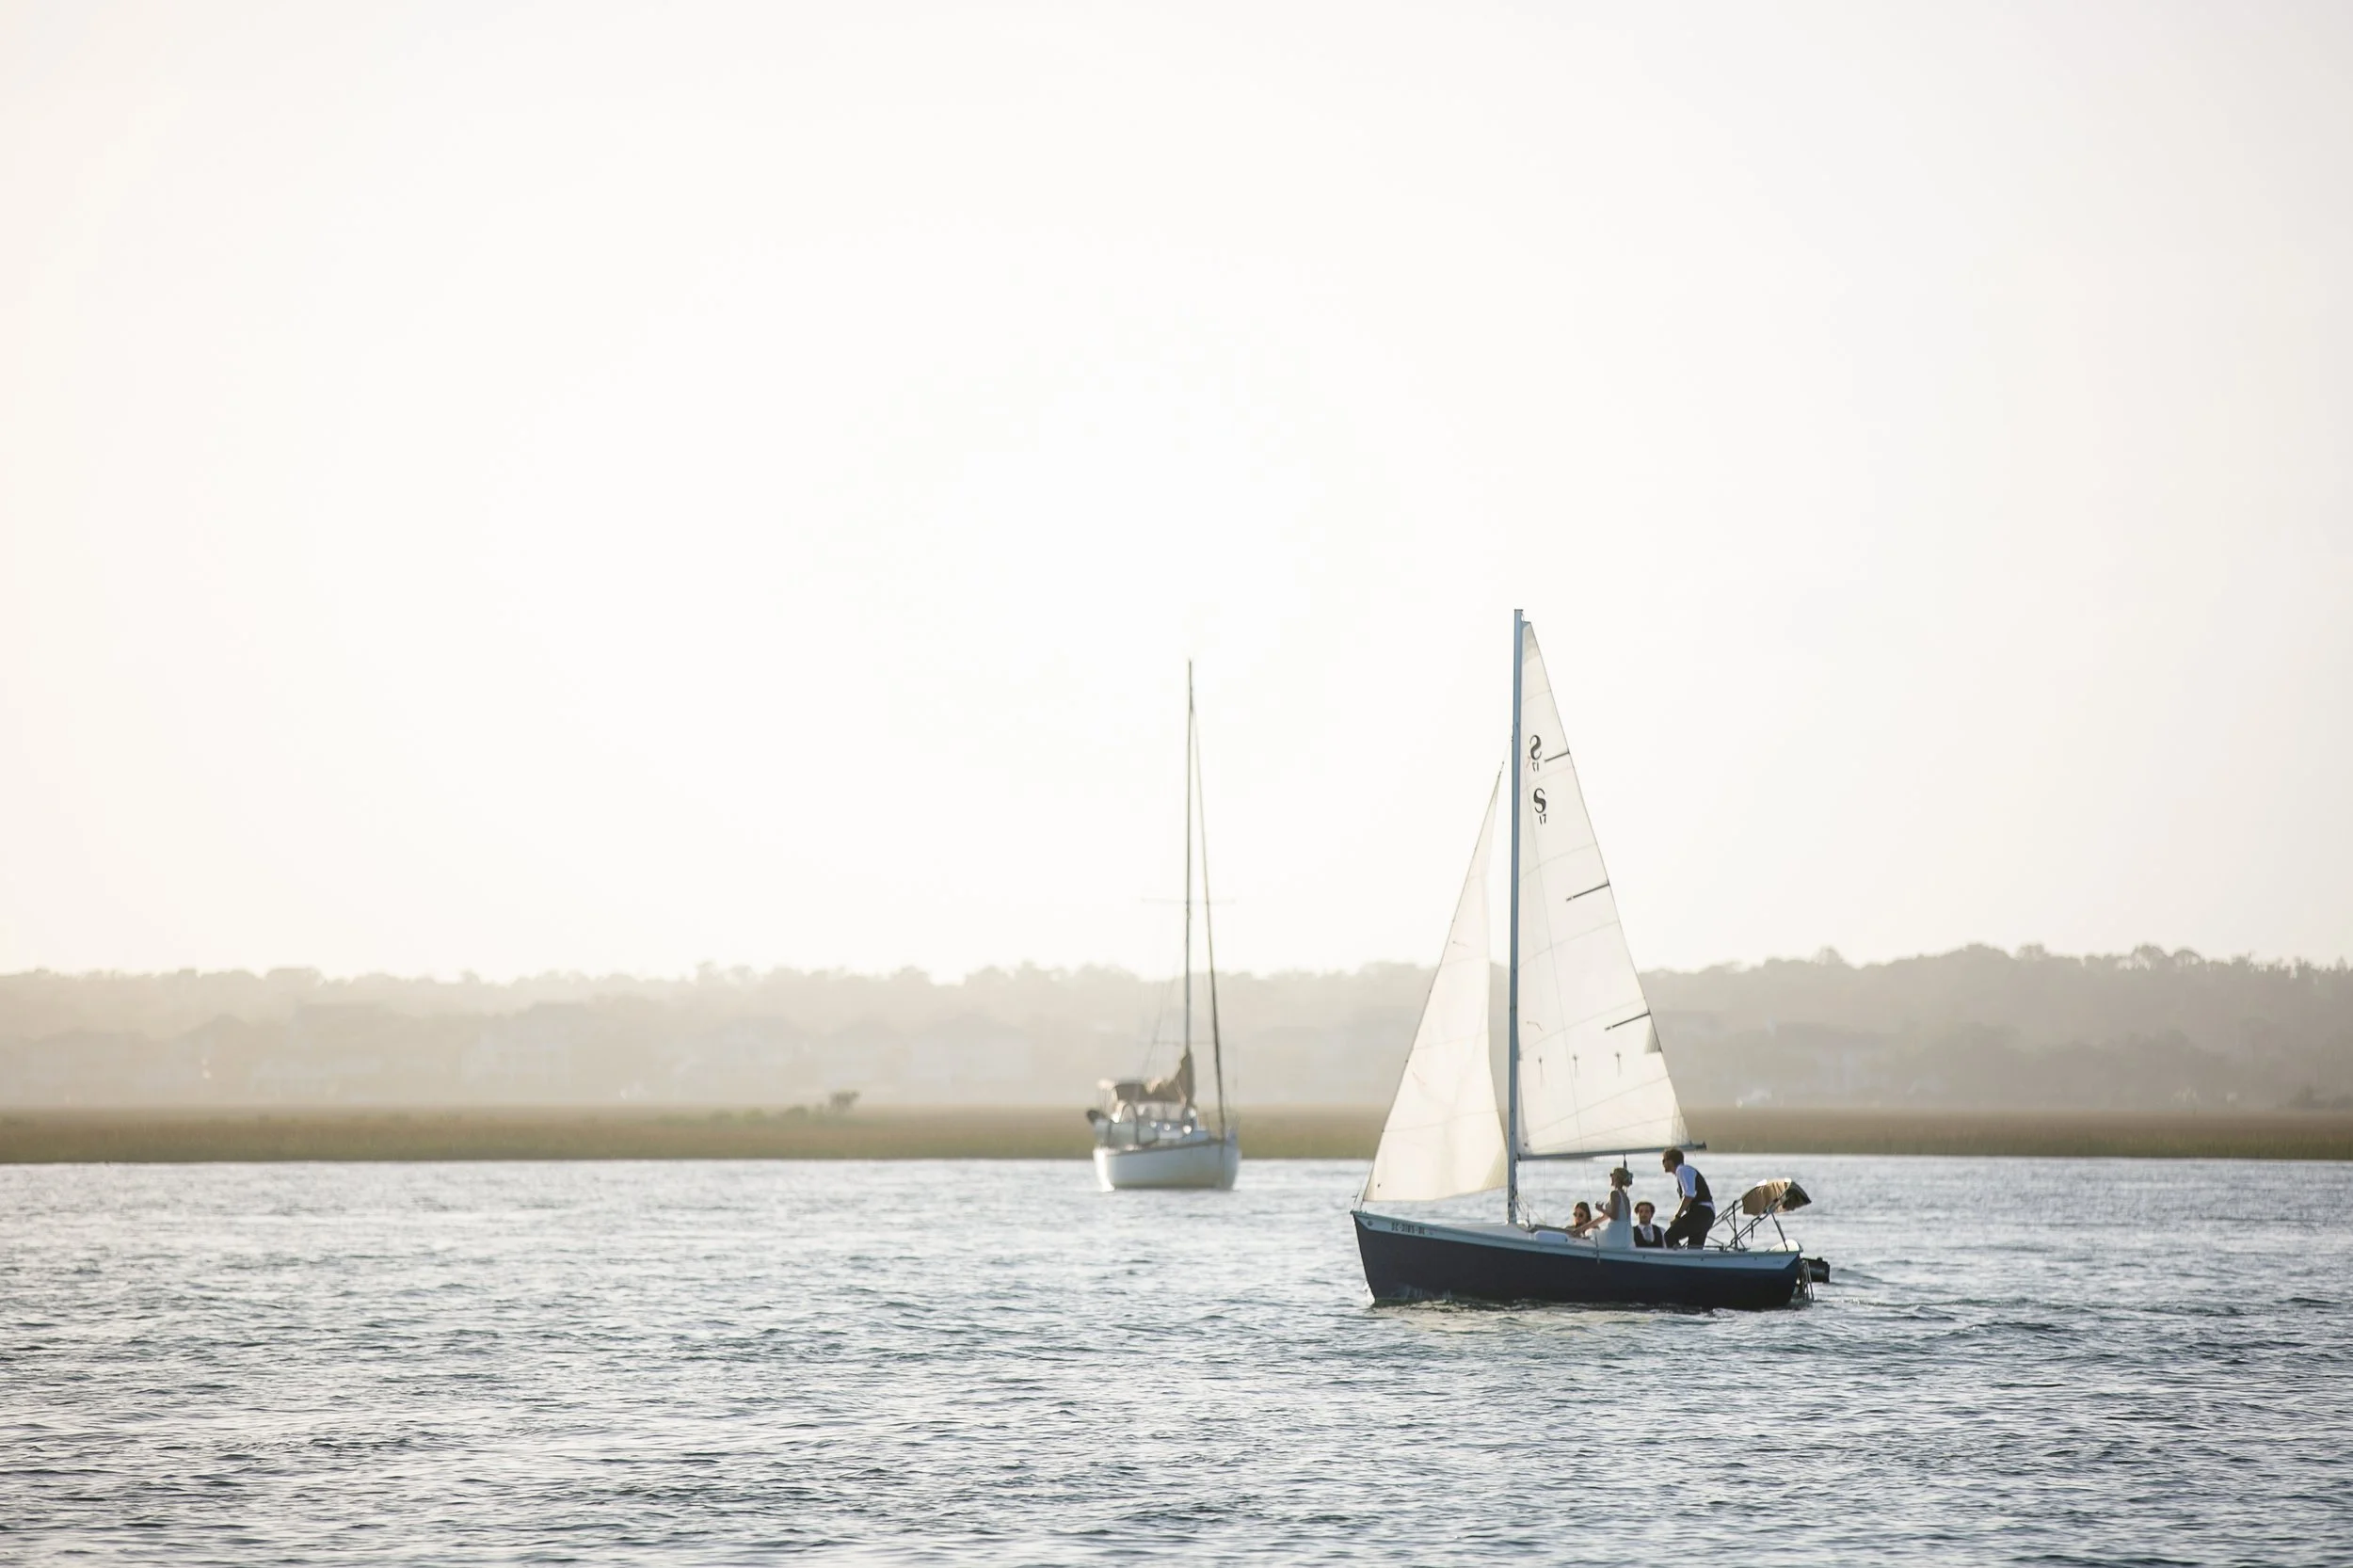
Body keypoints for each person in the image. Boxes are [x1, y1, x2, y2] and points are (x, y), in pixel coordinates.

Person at [1660, 1147, 1715, 1249]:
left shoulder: (1682, 1170)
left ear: (1670, 1161)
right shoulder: (1685, 1171)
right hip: (1706, 1214)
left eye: (1664, 1160)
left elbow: (1689, 1195)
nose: (1662, 1164)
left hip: (1701, 1213)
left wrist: (1677, 1216)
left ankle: (1675, 1258)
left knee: (1668, 1237)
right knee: (1694, 1249)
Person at [1595, 1166, 1634, 1250]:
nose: (1611, 1177)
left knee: (1591, 1234)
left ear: (1616, 1178)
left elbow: (1614, 1216)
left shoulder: (1614, 1193)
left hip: (1615, 1234)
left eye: (1612, 1175)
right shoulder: (1625, 1195)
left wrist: (1600, 1209)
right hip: (1626, 1236)